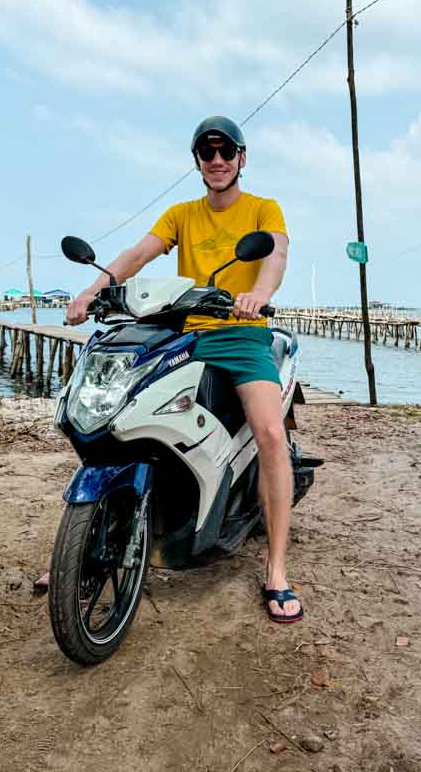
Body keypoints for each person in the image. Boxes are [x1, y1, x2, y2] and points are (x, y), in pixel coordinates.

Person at [58, 115, 300, 623]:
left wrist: (260, 294)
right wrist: (93, 290)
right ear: (197, 161)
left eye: (226, 152)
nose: (217, 161)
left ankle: (276, 570)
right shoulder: (181, 214)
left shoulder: (262, 208)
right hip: (184, 333)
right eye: (207, 153)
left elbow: (275, 252)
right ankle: (81, 547)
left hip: (240, 333)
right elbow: (139, 253)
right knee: (122, 416)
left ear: (241, 158)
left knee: (272, 435)